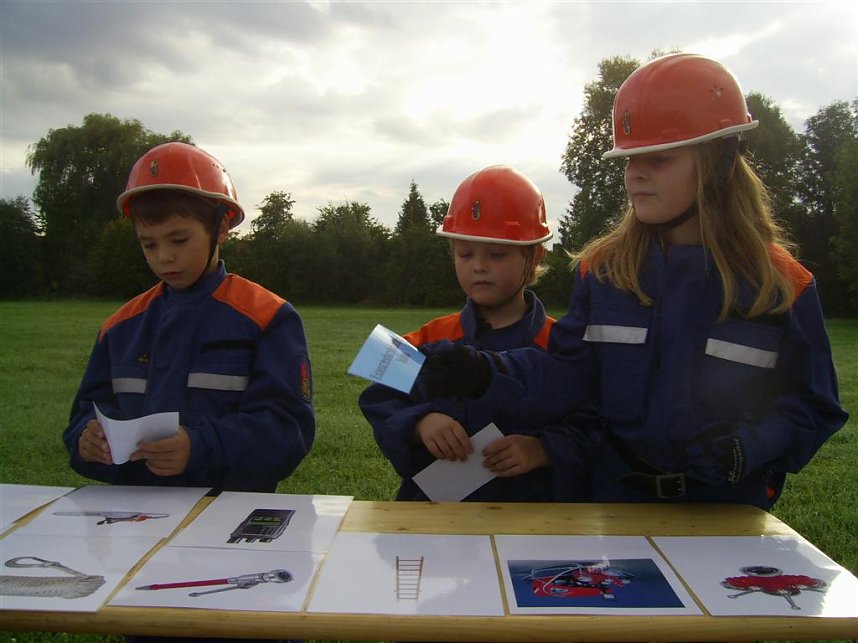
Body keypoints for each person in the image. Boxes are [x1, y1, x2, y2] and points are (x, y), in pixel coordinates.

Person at [419, 54, 848, 510]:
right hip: (614, 503)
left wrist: (750, 447)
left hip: (727, 511)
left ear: (720, 162)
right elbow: (566, 375)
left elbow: (813, 407)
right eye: (629, 159)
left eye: (658, 159)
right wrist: (489, 372)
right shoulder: (603, 272)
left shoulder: (781, 285)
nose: (636, 174)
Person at [63, 142, 315, 495]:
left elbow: (289, 432)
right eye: (148, 244)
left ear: (222, 229)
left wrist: (199, 447)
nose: (164, 257)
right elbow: (82, 418)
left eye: (179, 240)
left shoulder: (267, 318)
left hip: (226, 517)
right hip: (132, 521)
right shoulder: (119, 327)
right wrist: (85, 441)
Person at [359, 165, 587, 502]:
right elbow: (376, 398)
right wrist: (420, 422)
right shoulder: (426, 337)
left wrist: (545, 449)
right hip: (437, 522)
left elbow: (595, 424)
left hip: (531, 522)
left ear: (534, 254)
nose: (478, 266)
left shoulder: (562, 344)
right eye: (465, 254)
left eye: (496, 254)